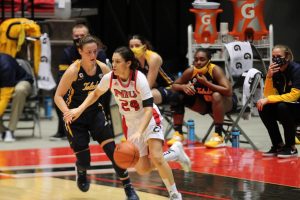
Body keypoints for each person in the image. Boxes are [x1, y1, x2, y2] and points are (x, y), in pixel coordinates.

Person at [64, 46, 191, 200]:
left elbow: (149, 110)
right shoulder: (109, 78)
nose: (114, 65)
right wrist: (79, 109)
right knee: (143, 169)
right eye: (112, 61)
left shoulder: (139, 79)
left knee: (157, 157)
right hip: (130, 123)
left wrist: (140, 131)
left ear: (128, 63)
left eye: (117, 61)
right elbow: (95, 93)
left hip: (149, 119)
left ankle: (174, 194)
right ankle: (175, 152)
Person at [54, 36, 139, 199]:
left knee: (114, 152)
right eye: (89, 52)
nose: (93, 55)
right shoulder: (73, 71)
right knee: (85, 161)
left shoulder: (103, 70)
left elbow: (116, 90)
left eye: (95, 51)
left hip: (95, 114)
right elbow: (58, 96)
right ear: (80, 52)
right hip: (75, 118)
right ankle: (81, 170)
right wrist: (67, 113)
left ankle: (128, 188)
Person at [50, 23, 108, 141]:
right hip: (75, 85)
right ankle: (64, 127)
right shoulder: (67, 53)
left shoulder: (99, 53)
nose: (79, 38)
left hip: (96, 86)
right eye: (76, 35)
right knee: (58, 93)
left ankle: (101, 122)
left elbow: (105, 78)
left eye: (82, 35)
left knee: (105, 93)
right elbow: (62, 76)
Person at [171, 48, 234, 148]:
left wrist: (206, 83)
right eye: (196, 60)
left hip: (225, 103)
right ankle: (178, 134)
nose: (198, 62)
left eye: (202, 59)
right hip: (205, 104)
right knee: (177, 96)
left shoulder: (215, 70)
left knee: (216, 96)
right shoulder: (191, 71)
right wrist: (183, 87)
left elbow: (229, 91)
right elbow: (174, 86)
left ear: (209, 60)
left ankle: (218, 136)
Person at [128, 35, 185, 146]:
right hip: (153, 89)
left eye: (137, 45)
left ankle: (170, 133)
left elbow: (147, 86)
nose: (134, 48)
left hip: (170, 88)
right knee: (132, 98)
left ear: (144, 46)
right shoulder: (131, 61)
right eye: (131, 46)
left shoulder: (153, 58)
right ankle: (137, 132)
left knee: (147, 97)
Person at [257, 44, 300, 158]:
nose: (276, 59)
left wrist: (269, 99)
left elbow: (294, 96)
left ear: (287, 57)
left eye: (279, 56)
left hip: (297, 108)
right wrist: (269, 77)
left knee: (282, 106)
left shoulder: (296, 69)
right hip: (287, 107)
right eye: (273, 56)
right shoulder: (275, 72)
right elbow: (268, 95)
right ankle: (278, 145)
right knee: (263, 107)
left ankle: (291, 147)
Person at [0, 53, 33, 142]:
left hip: (21, 81)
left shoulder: (5, 65)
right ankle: (2, 131)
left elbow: (5, 96)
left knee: (20, 90)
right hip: (4, 86)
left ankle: (11, 130)